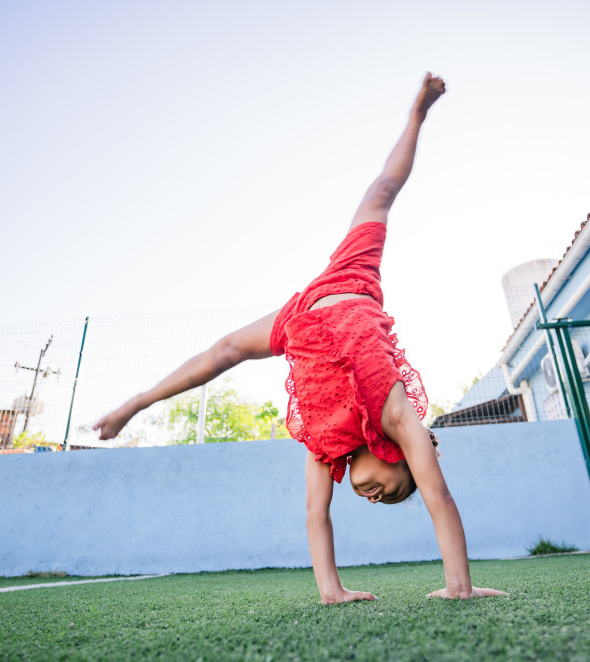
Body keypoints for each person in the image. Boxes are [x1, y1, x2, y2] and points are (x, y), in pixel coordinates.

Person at [94, 73, 506, 603]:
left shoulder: (322, 444)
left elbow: (316, 515)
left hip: (302, 318)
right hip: (349, 285)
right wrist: (460, 587)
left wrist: (332, 591)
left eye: (379, 501)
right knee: (380, 192)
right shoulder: (398, 417)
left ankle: (137, 402)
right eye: (395, 486)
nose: (378, 498)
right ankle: (416, 115)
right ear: (400, 453)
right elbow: (440, 497)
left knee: (227, 350)